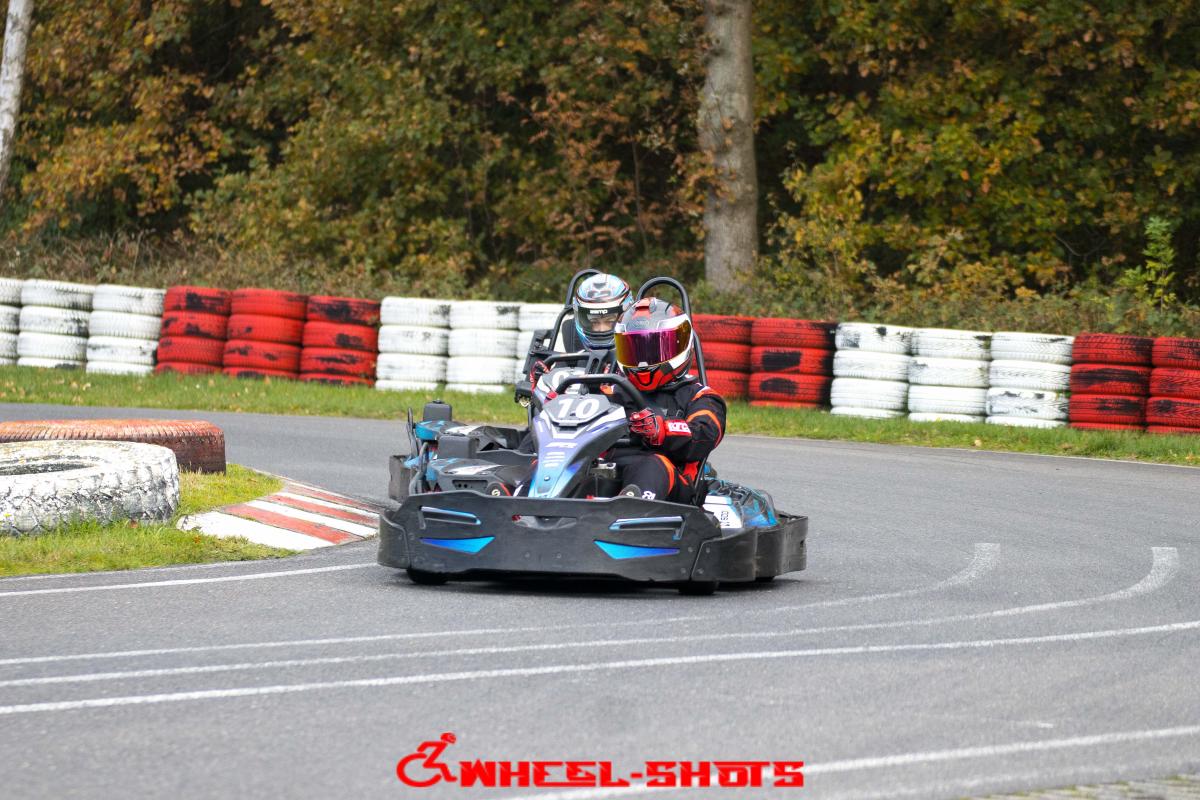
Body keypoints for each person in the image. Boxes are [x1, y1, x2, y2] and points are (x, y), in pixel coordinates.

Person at [608, 297, 727, 503]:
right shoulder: (613, 391)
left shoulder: (701, 397)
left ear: (680, 345)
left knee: (653, 465)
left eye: (653, 350)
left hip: (671, 482)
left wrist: (663, 430)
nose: (643, 362)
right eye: (635, 350)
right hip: (609, 467)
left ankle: (631, 508)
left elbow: (704, 433)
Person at [557, 273, 633, 353]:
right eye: (594, 322)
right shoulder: (573, 347)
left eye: (610, 321)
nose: (602, 329)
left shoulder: (639, 348)